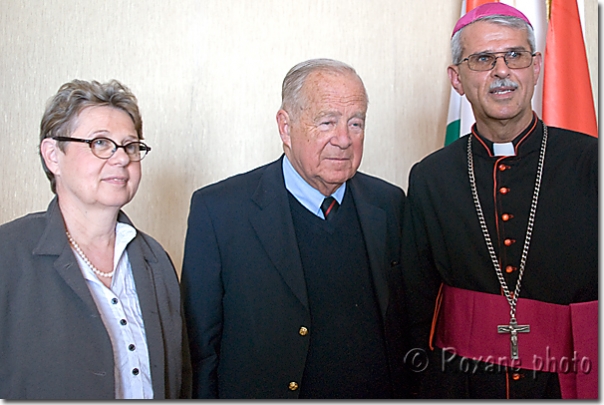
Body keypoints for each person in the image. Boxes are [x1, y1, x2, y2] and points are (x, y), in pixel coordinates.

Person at [402, 3, 597, 400]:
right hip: (462, 384)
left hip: (571, 383)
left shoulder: (592, 162)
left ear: (537, 67)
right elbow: (413, 304)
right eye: (483, 59)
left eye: (515, 55)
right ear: (456, 79)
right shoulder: (431, 177)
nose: (502, 71)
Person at [181, 58, 408, 399]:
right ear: (285, 127)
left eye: (356, 123)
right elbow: (200, 350)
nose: (344, 139)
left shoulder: (390, 204)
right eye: (327, 122)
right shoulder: (218, 211)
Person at [0, 79, 191, 399]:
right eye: (100, 143)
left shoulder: (156, 259)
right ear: (52, 156)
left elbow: (181, 382)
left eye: (131, 145)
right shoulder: (8, 253)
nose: (121, 159)